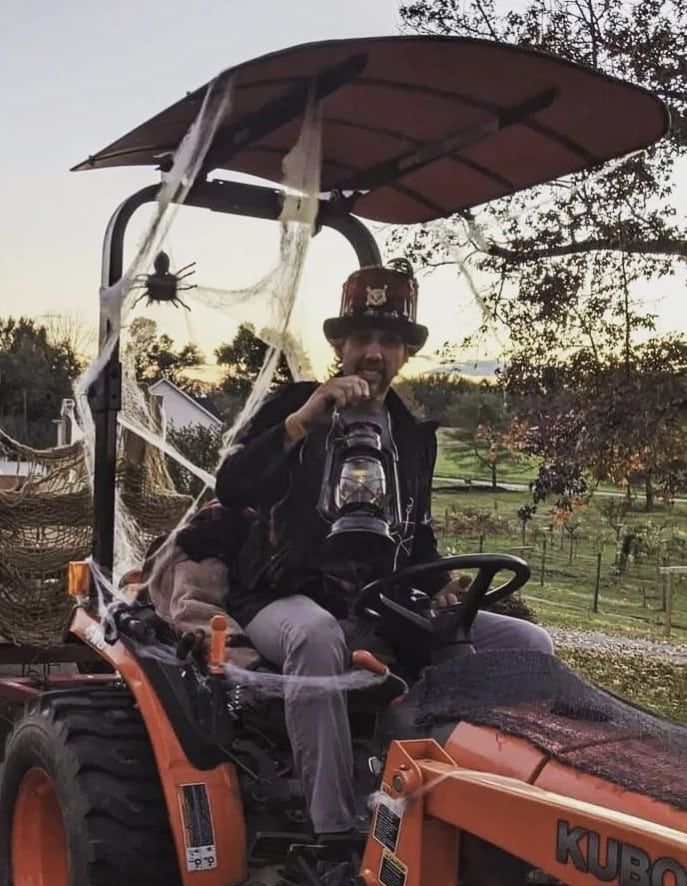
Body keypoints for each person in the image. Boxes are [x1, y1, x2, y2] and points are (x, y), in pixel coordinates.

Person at [214, 258, 552, 838]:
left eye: (389, 340)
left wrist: (441, 584)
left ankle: (498, 812)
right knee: (316, 637)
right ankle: (335, 831)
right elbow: (234, 486)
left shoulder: (412, 437)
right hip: (284, 594)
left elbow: (415, 535)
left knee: (525, 641)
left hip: (380, 602)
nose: (374, 352)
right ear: (341, 345)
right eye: (362, 338)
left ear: (405, 353)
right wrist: (300, 424)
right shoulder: (295, 406)